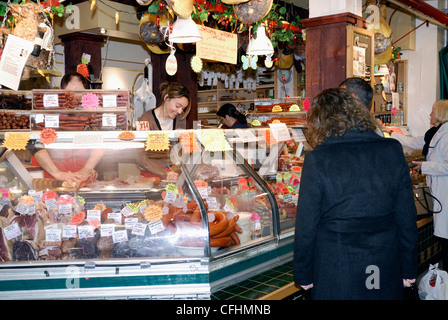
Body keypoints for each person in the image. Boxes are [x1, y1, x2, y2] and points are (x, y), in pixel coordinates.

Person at [293, 88, 418, 300]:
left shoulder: (318, 158)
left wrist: (303, 273)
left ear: (321, 121)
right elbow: (406, 215)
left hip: (336, 263)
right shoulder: (391, 149)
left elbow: (307, 223)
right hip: (381, 258)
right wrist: (409, 268)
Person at [395, 100, 448, 269]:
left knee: (445, 239)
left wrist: (425, 166)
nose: (430, 115)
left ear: (440, 114)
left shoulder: (446, 135)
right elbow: (417, 142)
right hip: (439, 189)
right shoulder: (435, 133)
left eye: (432, 112)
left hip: (444, 189)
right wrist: (391, 132)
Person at [31, 72, 103, 186]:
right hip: (50, 178)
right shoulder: (46, 113)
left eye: (79, 92)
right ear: (60, 91)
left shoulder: (92, 114)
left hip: (81, 179)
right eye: (70, 92)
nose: (74, 96)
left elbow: (101, 142)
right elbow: (34, 144)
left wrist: (86, 169)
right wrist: (57, 173)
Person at [137, 81, 190, 180]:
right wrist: (164, 173)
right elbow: (140, 157)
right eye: (178, 106)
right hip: (151, 173)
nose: (179, 111)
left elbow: (182, 148)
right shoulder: (146, 119)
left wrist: (176, 169)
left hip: (173, 172)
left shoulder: (180, 118)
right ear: (166, 98)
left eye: (183, 108)